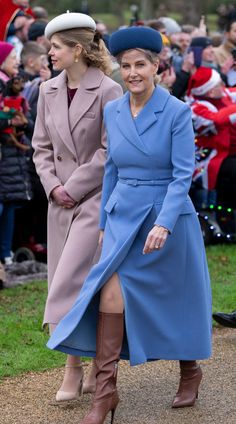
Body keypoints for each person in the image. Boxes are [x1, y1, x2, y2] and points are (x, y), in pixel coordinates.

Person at [47, 26, 212, 424]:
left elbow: (181, 175)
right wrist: (103, 223)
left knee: (175, 299)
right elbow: (112, 171)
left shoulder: (176, 112)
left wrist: (165, 223)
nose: (133, 72)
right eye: (126, 66)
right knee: (110, 296)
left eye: (141, 65)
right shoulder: (113, 110)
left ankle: (189, 370)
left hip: (167, 219)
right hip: (122, 219)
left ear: (157, 67)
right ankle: (105, 395)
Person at [32, 12, 122, 403]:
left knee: (71, 284)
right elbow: (41, 148)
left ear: (78, 49)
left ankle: (73, 367)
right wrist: (54, 187)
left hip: (93, 201)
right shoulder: (46, 90)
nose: (49, 53)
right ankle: (81, 366)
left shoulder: (108, 90)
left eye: (55, 47)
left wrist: (74, 186)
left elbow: (110, 149)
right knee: (63, 282)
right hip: (58, 205)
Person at [0, 41, 32, 265]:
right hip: (4, 154)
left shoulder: (10, 84)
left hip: (11, 155)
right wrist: (10, 120)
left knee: (9, 204)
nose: (17, 62)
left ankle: (5, 254)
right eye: (13, 58)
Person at [187, 67, 236, 209]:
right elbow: (217, 120)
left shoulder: (223, 94)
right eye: (219, 83)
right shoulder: (195, 108)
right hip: (208, 160)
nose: (223, 85)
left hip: (228, 155)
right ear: (210, 91)